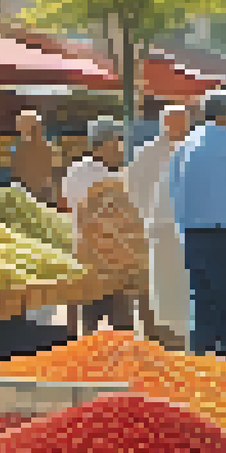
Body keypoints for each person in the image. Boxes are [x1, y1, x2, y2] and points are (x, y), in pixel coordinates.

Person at [167, 92, 226, 363]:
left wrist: (182, 228)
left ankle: (202, 362)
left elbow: (174, 191)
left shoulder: (185, 145)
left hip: (193, 235)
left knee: (202, 299)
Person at [125, 105, 193, 349]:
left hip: (184, 229)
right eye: (177, 122)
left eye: (184, 122)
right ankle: (156, 335)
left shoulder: (192, 150)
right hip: (156, 228)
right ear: (165, 123)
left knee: (180, 283)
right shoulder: (148, 154)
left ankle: (177, 334)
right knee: (155, 283)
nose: (181, 127)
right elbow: (131, 188)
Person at [70, 128, 146, 335]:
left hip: (88, 254)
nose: (119, 150)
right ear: (101, 146)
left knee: (90, 320)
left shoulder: (75, 169)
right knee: (120, 321)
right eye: (116, 144)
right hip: (110, 257)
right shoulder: (108, 177)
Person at [11, 108, 59, 206]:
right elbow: (17, 172)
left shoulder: (46, 147)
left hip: (41, 194)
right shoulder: (20, 148)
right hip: (26, 193)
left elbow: (52, 173)